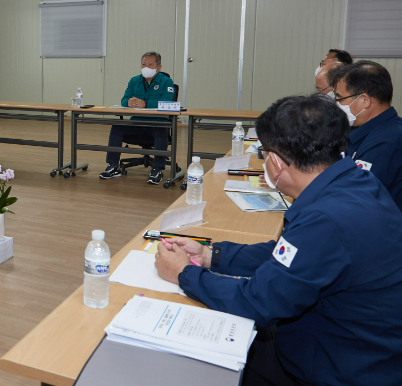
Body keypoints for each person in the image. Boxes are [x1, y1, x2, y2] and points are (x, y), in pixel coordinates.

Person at [154, 94, 402, 386]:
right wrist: (211, 255)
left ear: (275, 163)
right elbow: (289, 255)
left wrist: (185, 274)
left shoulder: (325, 219)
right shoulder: (354, 181)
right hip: (359, 344)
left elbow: (258, 302)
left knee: (193, 362)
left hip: (341, 366)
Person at [329, 60, 402, 211]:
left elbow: (355, 196)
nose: (336, 104)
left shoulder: (388, 141)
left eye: (340, 98)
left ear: (364, 100)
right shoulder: (361, 129)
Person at [99, 51, 175, 185]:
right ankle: (113, 165)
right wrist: (128, 102)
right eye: (144, 64)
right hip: (137, 121)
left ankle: (157, 168)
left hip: (157, 123)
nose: (146, 67)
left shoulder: (166, 82)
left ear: (159, 67)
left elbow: (169, 103)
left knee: (161, 131)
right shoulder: (134, 80)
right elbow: (124, 99)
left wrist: (145, 104)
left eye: (150, 65)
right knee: (117, 128)